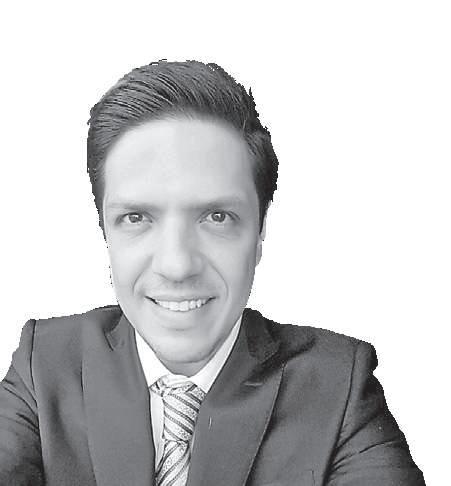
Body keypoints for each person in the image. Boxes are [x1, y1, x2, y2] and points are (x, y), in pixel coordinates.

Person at [0, 60, 425, 485]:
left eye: (217, 217)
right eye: (136, 218)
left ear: (260, 232)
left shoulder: (338, 385)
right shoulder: (44, 365)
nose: (176, 265)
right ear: (105, 232)